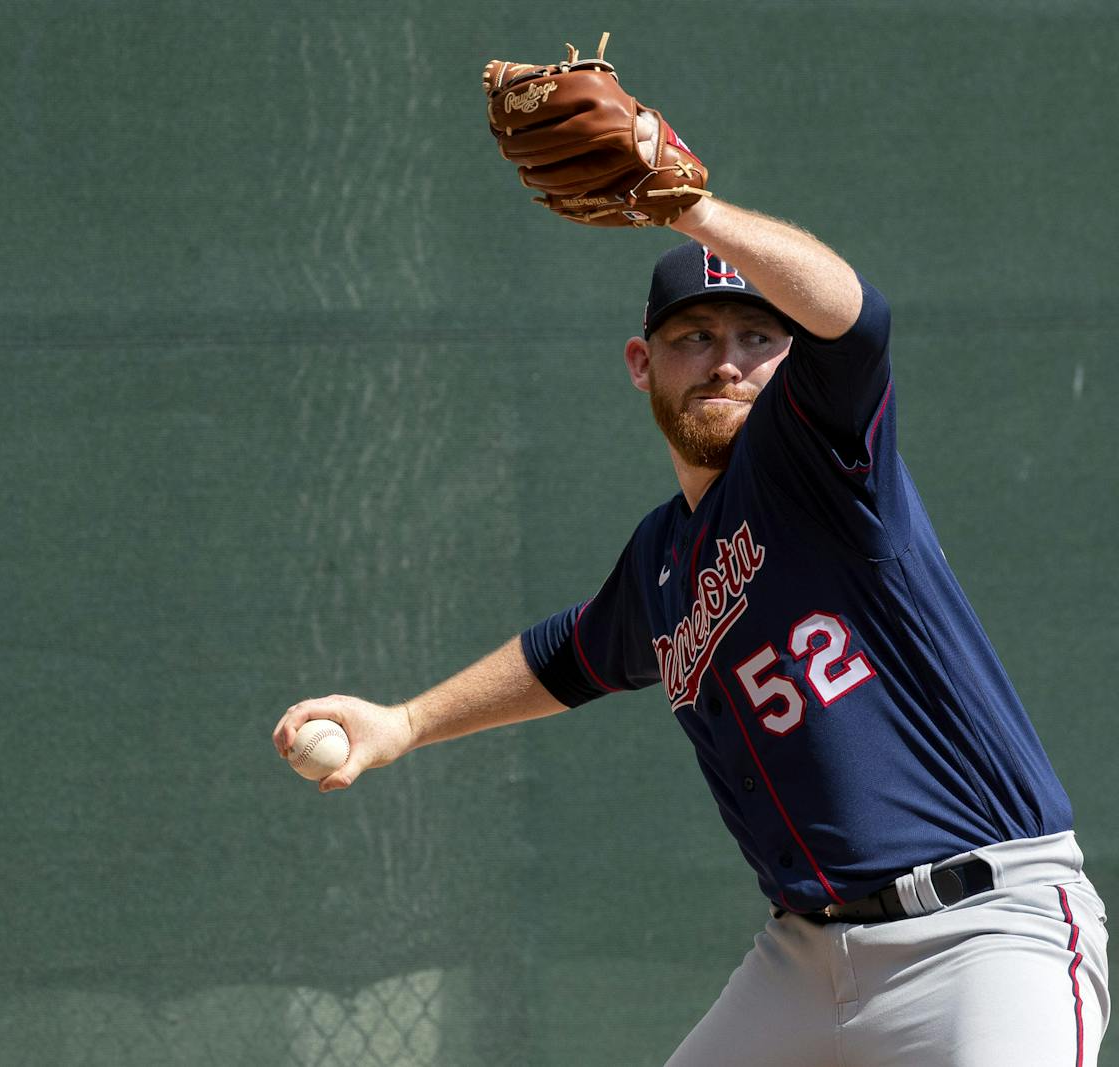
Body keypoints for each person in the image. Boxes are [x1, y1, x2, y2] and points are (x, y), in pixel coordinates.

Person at [272, 194, 1110, 1065]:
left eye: (758, 337)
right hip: (803, 957)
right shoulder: (662, 559)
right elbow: (571, 653)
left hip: (977, 936)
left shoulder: (820, 458)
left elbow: (859, 322)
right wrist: (405, 722)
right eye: (695, 337)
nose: (726, 362)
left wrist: (692, 210)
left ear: (792, 357)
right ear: (643, 361)